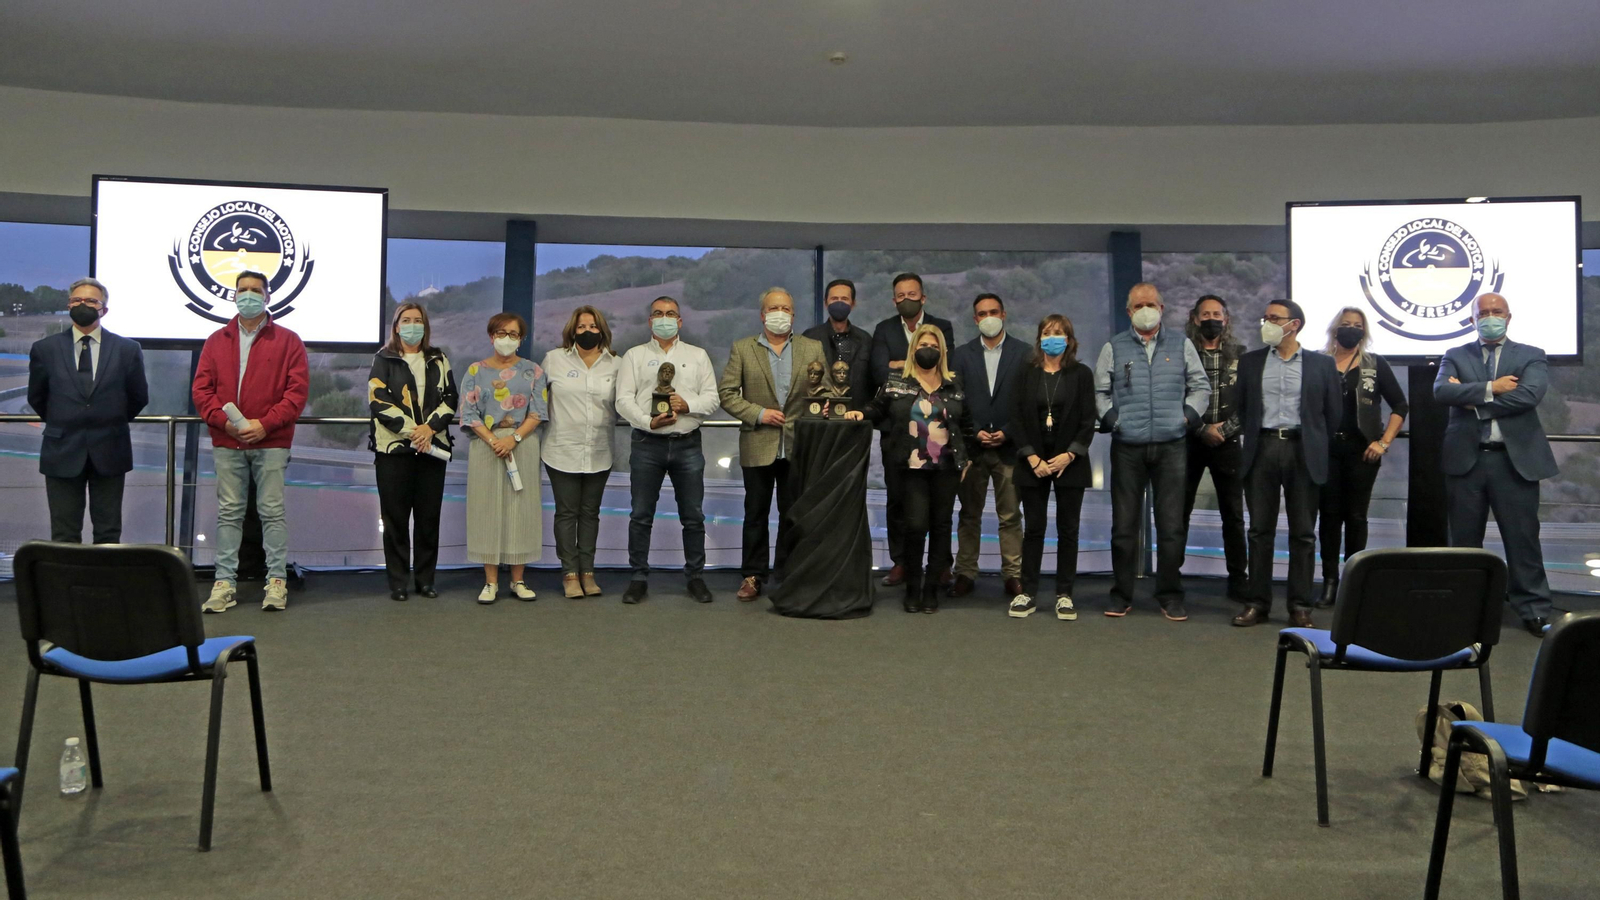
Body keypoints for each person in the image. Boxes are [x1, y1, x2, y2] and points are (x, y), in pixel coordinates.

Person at [1434, 292, 1559, 637]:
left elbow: (1528, 396)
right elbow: (1442, 392)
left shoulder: (1531, 355)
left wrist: (1473, 400)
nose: (1491, 317)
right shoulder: (1455, 355)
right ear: (1472, 320)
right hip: (1466, 461)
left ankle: (1533, 609)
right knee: (1463, 543)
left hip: (1514, 462)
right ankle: (1464, 609)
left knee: (1523, 540)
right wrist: (1493, 387)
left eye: (1497, 311)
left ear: (1509, 316)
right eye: (1484, 313)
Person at [192, 270, 309, 613]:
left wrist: (265, 424)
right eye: (242, 290)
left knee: (272, 511)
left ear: (267, 297)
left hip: (271, 443)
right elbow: (202, 391)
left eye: (255, 290)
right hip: (227, 443)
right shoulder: (216, 340)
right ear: (233, 296)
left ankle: (276, 582)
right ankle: (224, 584)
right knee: (229, 513)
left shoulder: (289, 341)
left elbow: (296, 393)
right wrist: (225, 424)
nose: (248, 295)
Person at [1094, 283, 1211, 621]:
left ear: (1161, 308)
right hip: (1127, 448)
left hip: (1171, 446)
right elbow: (1100, 391)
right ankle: (1121, 594)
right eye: (1138, 305)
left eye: (1151, 304)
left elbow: (1200, 386)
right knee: (1123, 527)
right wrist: (1114, 420)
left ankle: (1170, 595)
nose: (1145, 310)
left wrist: (1186, 418)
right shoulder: (1113, 347)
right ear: (1129, 311)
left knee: (1171, 526)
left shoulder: (1181, 344)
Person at [847, 324, 975, 613]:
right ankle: (913, 587)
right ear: (913, 349)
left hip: (947, 468)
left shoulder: (954, 384)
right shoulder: (896, 381)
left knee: (941, 526)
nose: (927, 350)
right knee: (916, 526)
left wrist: (967, 460)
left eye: (933, 346)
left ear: (942, 351)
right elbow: (877, 407)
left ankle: (931, 589)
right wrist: (859, 413)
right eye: (922, 345)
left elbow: (966, 424)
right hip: (911, 466)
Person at [1231, 299, 1340, 628]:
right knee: (1259, 531)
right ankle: (1257, 603)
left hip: (1303, 450)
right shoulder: (1250, 362)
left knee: (1303, 534)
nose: (1267, 323)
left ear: (1294, 325)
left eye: (1274, 318)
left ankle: (1300, 607)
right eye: (1265, 317)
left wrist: (1314, 442)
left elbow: (1332, 414)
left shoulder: (1322, 365)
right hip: (1261, 448)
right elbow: (1241, 407)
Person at [718, 287, 826, 600]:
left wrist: (826, 407)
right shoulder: (743, 348)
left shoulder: (812, 348)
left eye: (786, 308)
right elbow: (727, 394)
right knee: (755, 514)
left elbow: (826, 390)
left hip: (797, 445)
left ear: (794, 314)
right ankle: (752, 576)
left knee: (794, 514)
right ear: (763, 315)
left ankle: (789, 574)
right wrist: (759, 414)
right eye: (774, 308)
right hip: (757, 443)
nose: (780, 313)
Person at [616, 296, 722, 604]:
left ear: (680, 321)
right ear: (650, 321)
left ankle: (695, 577)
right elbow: (623, 400)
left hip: (687, 443)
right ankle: (638, 577)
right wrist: (648, 422)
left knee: (693, 516)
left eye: (671, 314)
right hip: (646, 443)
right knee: (640, 514)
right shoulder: (634, 356)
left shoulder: (697, 355)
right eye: (659, 314)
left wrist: (688, 405)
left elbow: (712, 399)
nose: (665, 318)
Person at [26, 277, 148, 544]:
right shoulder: (45, 349)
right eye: (77, 300)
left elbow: (138, 397)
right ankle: (65, 575)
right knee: (64, 533)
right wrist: (66, 420)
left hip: (110, 448)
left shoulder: (127, 349)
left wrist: (107, 419)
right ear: (68, 306)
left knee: (108, 532)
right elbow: (37, 397)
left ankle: (104, 574)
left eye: (91, 300)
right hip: (61, 449)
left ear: (104, 309)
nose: (83, 305)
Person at [1315, 306, 1408, 608]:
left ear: (1364, 331)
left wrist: (1384, 442)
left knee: (1356, 516)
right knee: (1329, 517)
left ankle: (1353, 581)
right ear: (1335, 328)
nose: (1351, 329)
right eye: (1346, 324)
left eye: (1357, 325)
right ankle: (1329, 581)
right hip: (1326, 451)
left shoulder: (1375, 363)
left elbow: (1400, 406)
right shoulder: (1318, 361)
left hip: (1362, 452)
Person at [868, 273, 956, 588]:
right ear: (894, 300)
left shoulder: (941, 327)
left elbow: (946, 368)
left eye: (912, 294)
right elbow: (879, 372)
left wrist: (900, 365)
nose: (906, 299)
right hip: (896, 431)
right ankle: (901, 562)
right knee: (897, 500)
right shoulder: (884, 329)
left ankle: (941, 564)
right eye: (901, 295)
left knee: (939, 508)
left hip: (936, 434)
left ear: (923, 297)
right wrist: (910, 366)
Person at [368, 302, 457, 602]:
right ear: (396, 326)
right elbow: (378, 400)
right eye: (406, 320)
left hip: (433, 450)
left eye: (418, 320)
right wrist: (413, 432)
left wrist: (429, 429)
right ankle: (398, 582)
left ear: (425, 326)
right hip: (394, 452)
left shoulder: (438, 358)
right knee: (395, 519)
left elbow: (450, 398)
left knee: (428, 518)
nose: (412, 325)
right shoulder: (383, 359)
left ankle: (425, 580)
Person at [1009, 315, 1095, 621]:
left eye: (1058, 333)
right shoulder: (1025, 373)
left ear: (1069, 340)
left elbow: (1088, 420)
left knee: (1068, 530)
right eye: (1047, 332)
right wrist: (1031, 457)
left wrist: (1069, 455)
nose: (1052, 337)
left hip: (1069, 463)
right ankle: (1028, 592)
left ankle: (1064, 594)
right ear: (1039, 339)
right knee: (1034, 529)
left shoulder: (1082, 374)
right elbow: (1016, 417)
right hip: (1032, 462)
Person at [460, 313, 548, 604]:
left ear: (521, 339)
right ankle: (490, 582)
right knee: (486, 509)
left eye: (513, 334)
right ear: (491, 336)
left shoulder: (533, 371)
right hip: (486, 445)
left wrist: (514, 439)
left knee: (520, 509)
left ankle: (518, 579)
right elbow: (468, 414)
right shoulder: (475, 371)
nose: (507, 339)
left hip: (522, 444)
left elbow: (538, 412)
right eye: (501, 333)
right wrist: (494, 440)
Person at [949, 292, 1028, 599]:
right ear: (975, 319)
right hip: (974, 448)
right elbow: (956, 400)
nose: (989, 318)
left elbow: (1027, 400)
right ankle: (965, 573)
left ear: (1004, 314)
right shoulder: (961, 355)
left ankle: (1013, 575)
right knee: (969, 515)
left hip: (1009, 447)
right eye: (982, 313)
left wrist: (1007, 432)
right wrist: (976, 431)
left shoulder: (1024, 353)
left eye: (994, 312)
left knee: (1010, 516)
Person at [541, 306, 619, 600]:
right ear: (572, 331)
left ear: (603, 330)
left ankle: (588, 572)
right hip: (561, 449)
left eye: (593, 326)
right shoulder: (554, 359)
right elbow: (537, 399)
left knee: (590, 514)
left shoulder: (617, 364)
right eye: (582, 327)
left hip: (599, 450)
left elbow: (625, 402)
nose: (588, 331)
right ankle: (569, 574)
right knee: (566, 513)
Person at [1181, 294, 1248, 599]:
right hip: (1189, 440)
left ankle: (1238, 579)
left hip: (1228, 442)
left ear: (1226, 319)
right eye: (1205, 314)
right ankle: (1171, 577)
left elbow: (1250, 402)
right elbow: (1173, 396)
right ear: (1195, 319)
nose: (1211, 319)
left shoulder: (1241, 356)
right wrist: (1200, 429)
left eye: (1216, 314)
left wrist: (1224, 430)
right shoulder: (1182, 354)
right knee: (1179, 511)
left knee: (1233, 514)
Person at [802, 278, 873, 405]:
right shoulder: (810, 337)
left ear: (853, 303)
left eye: (844, 299)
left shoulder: (865, 339)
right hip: (820, 409)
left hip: (857, 410)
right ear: (825, 303)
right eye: (834, 299)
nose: (839, 303)